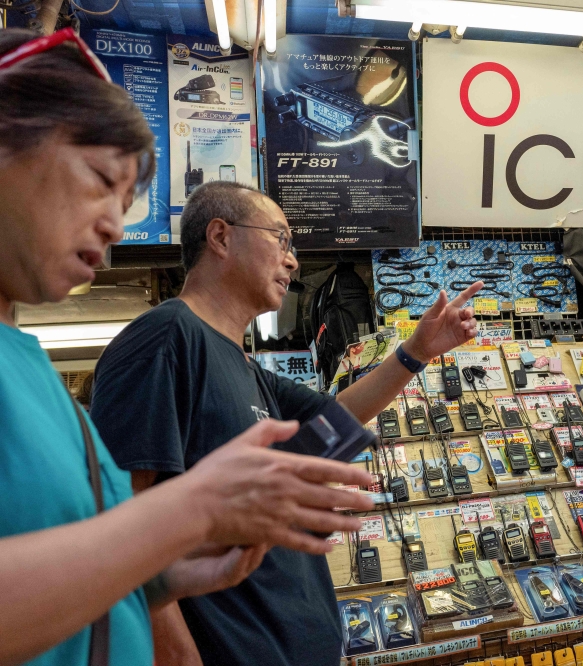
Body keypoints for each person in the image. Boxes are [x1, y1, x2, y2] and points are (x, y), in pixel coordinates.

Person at [0, 27, 376, 666]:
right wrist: (195, 511)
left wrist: (176, 574)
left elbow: (80, 566)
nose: (117, 225)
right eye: (98, 179)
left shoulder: (28, 365)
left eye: (127, 200)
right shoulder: (164, 340)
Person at [90, 179, 483, 666]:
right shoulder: (165, 339)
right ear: (220, 236)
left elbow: (334, 419)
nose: (293, 260)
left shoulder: (242, 362)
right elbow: (119, 531)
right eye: (281, 239)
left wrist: (416, 352)